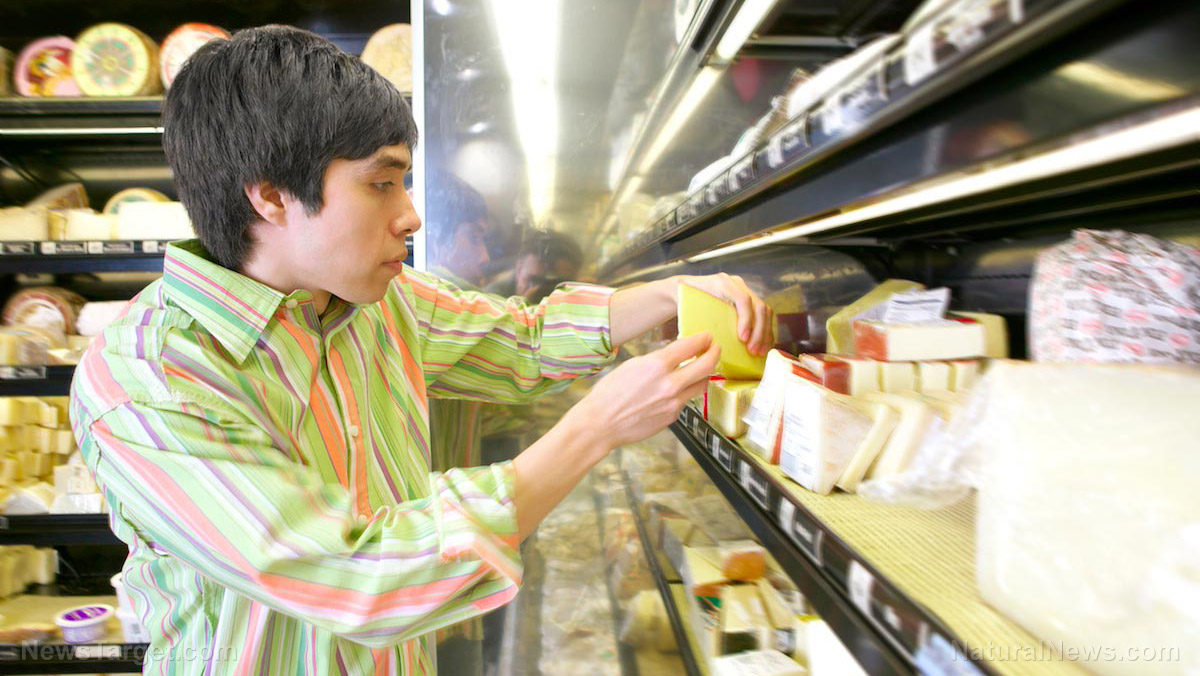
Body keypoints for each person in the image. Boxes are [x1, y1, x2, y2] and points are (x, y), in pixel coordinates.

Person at [69, 25, 773, 675]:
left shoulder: (380, 303)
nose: (409, 214)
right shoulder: (151, 380)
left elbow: (522, 339)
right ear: (272, 197)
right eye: (382, 183)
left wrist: (665, 294)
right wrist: (595, 428)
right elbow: (357, 576)